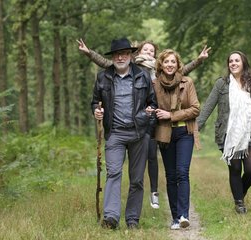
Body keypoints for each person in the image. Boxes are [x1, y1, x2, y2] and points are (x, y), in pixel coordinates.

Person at [79, 38, 210, 210]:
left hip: (151, 121)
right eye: (145, 50)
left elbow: (180, 71)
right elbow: (105, 65)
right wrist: (89, 53)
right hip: (126, 125)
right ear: (138, 52)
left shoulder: (157, 72)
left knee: (150, 160)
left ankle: (152, 193)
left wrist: (199, 60)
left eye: (151, 51)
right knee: (120, 169)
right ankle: (113, 213)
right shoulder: (121, 70)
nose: (148, 53)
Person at [197, 51, 251, 214]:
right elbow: (208, 106)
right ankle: (239, 203)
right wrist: (196, 126)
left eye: (237, 61)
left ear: (244, 63)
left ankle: (239, 192)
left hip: (250, 133)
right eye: (230, 61)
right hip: (228, 134)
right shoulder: (222, 84)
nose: (233, 63)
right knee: (235, 169)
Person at [91, 37, 157, 229]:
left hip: (138, 133)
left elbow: (152, 103)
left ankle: (132, 219)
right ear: (113, 57)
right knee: (113, 173)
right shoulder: (103, 77)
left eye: (125, 54)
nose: (121, 57)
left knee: (136, 179)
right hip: (115, 134)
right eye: (117, 54)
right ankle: (111, 218)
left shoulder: (143, 76)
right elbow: (95, 101)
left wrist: (148, 117)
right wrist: (96, 110)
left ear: (131, 56)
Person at [153, 49, 200, 230]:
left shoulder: (187, 82)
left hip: (184, 132)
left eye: (173, 62)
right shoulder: (155, 84)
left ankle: (183, 216)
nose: (170, 65)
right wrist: (151, 111)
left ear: (178, 64)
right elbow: (150, 105)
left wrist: (171, 115)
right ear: (161, 65)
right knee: (171, 176)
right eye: (166, 62)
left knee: (182, 172)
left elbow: (196, 109)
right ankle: (174, 218)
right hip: (165, 134)